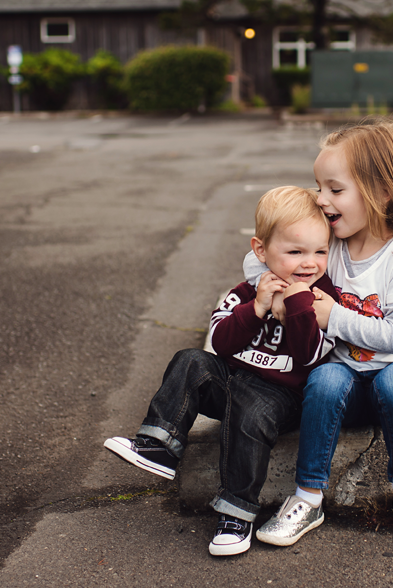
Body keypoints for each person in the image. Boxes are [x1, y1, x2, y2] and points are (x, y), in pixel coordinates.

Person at [104, 185, 337, 556]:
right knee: (190, 360)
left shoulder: (325, 299)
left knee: (251, 411)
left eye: (320, 251)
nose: (309, 263)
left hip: (282, 397)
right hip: (234, 379)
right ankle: (161, 445)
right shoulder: (247, 290)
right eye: (295, 252)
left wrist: (297, 308)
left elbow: (310, 357)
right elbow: (220, 342)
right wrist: (257, 307)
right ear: (261, 250)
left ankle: (237, 513)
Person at [252, 118, 393, 546]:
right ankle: (307, 497)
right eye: (319, 187)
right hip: (346, 389)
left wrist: (333, 317)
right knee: (324, 377)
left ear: (380, 192)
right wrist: (274, 284)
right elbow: (267, 255)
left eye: (335, 190)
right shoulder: (331, 244)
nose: (321, 200)